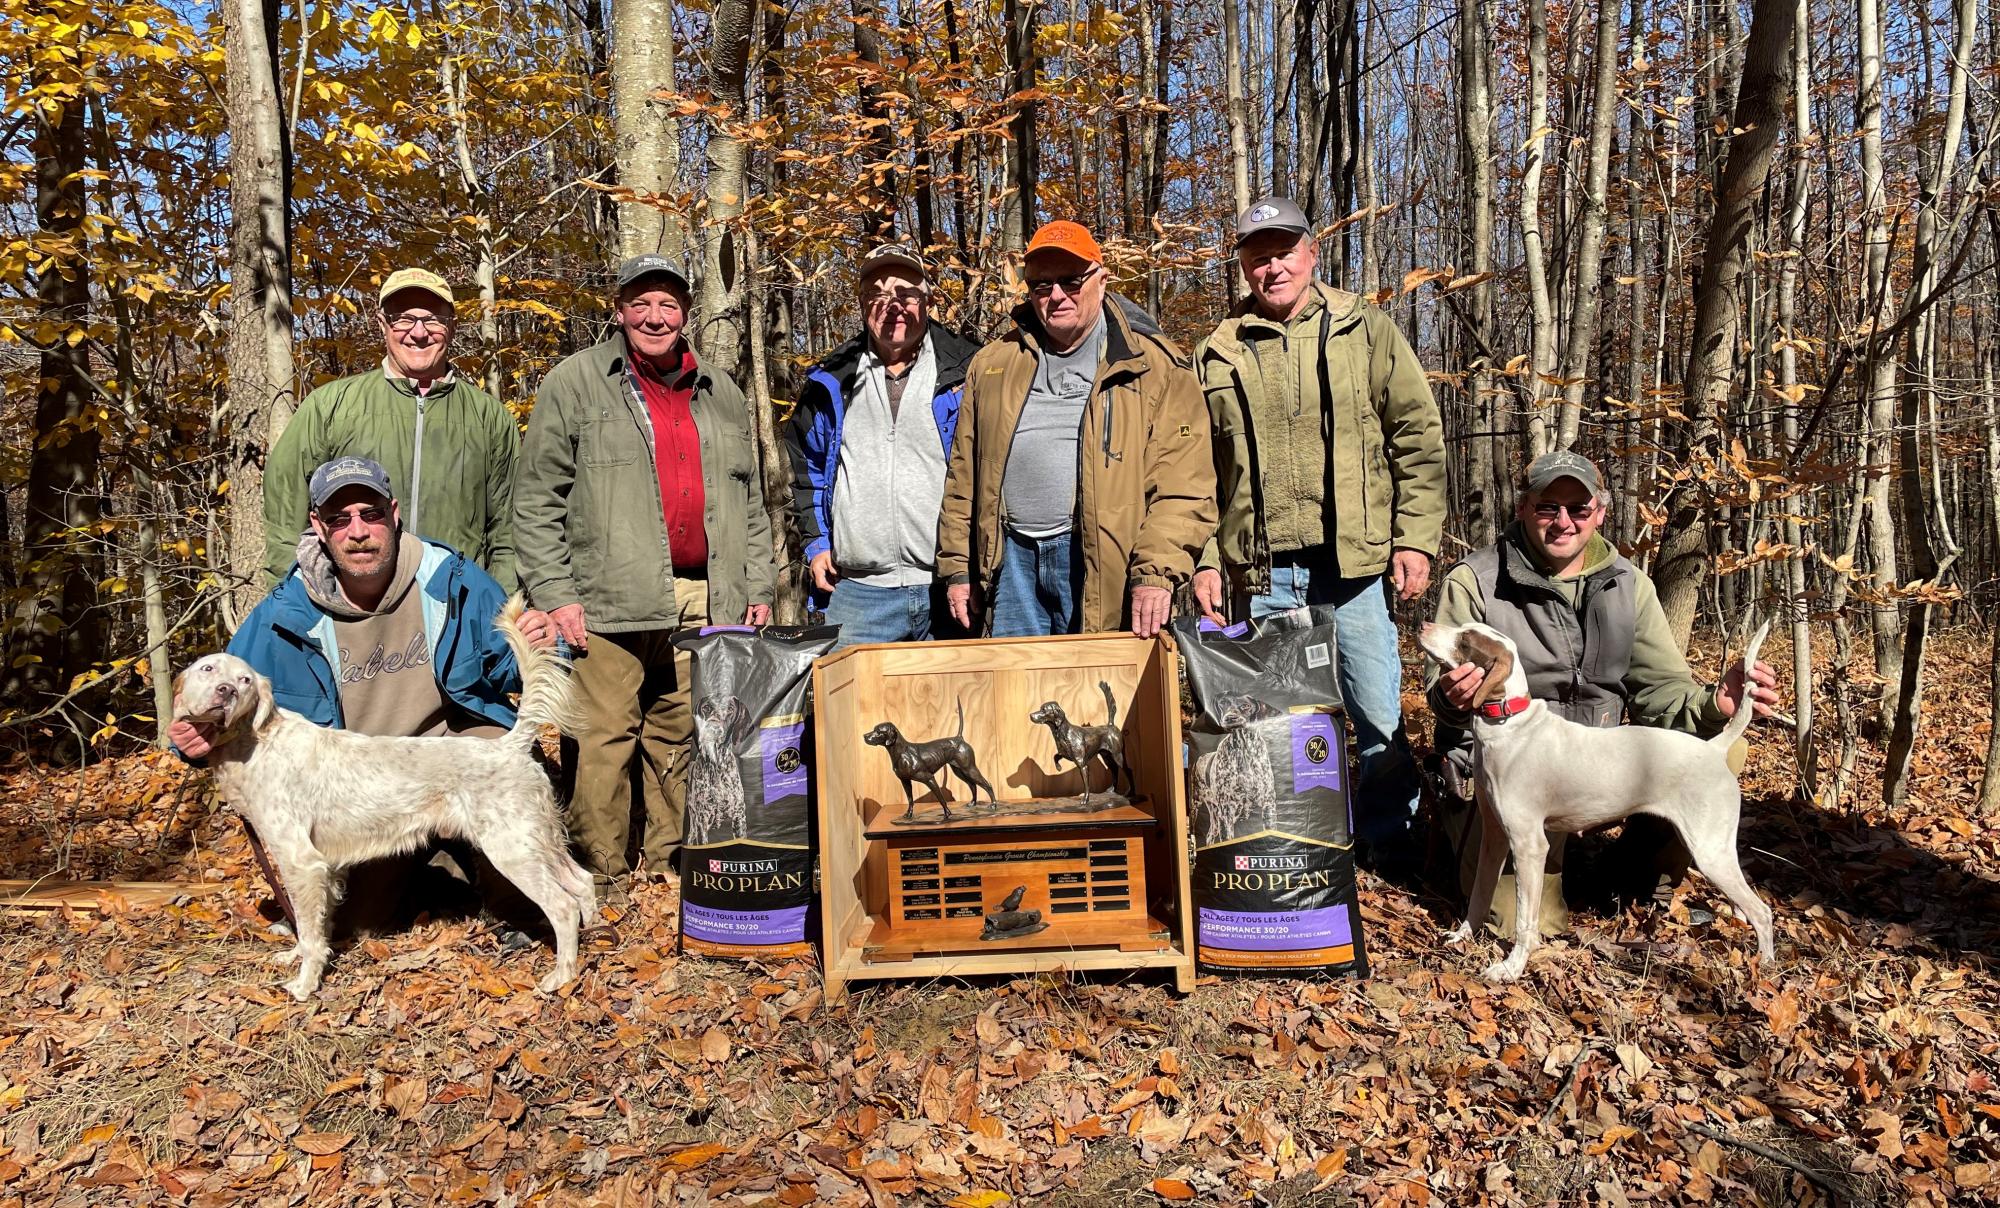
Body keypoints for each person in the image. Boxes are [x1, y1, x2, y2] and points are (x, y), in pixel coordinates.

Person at [172, 456, 556, 929]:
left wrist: (538, 645)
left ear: (393, 515)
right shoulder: (282, 613)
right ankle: (435, 868)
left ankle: (514, 904)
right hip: (364, 786)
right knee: (360, 922)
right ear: (319, 527)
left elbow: (504, 668)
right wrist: (189, 742)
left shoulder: (449, 578)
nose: (357, 531)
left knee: (505, 797)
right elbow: (215, 696)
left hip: (457, 749)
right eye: (339, 519)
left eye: (370, 514)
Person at [1191, 196, 1447, 874]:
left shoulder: (1364, 329)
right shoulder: (1215, 353)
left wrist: (1414, 537)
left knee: (1376, 715)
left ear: (1310, 252)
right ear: (1243, 264)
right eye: (1257, 255)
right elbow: (1196, 474)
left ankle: (1389, 847)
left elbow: (1416, 437)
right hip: (1261, 572)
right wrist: (1207, 561)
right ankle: (1285, 852)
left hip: (1353, 566)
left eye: (1282, 251)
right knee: (1267, 724)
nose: (1271, 266)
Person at [1425, 450, 1780, 934]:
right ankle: (1548, 887)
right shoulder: (1477, 582)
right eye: (1548, 507)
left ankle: (1637, 876)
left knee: (1723, 752)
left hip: (1596, 768)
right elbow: (1437, 694)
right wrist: (1453, 699)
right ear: (1523, 508)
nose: (1563, 522)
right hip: (1505, 770)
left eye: (1579, 509)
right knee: (1510, 924)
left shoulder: (1628, 585)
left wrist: (1714, 703)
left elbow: (1662, 690)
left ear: (1601, 513)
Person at [513, 254, 776, 901]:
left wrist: (757, 586)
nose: (655, 316)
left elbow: (749, 500)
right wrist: (556, 594)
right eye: (641, 303)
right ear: (620, 309)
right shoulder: (576, 383)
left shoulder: (721, 391)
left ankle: (666, 865)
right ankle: (599, 874)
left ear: (685, 313)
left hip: (703, 595)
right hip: (606, 598)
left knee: (680, 734)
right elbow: (538, 497)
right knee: (604, 738)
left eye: (668, 304)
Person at [937, 220, 1215, 638]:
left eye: (1071, 281)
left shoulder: (1154, 367)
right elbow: (963, 478)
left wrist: (1155, 571)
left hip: (1102, 563)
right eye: (1042, 286)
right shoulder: (993, 364)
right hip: (1010, 563)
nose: (1057, 296)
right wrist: (957, 566)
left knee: (1100, 696)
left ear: (1101, 281)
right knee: (1018, 693)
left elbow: (1185, 487)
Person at [263, 267, 521, 590]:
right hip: (354, 611)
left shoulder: (490, 420)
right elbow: (285, 516)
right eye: (403, 318)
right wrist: (293, 601)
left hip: (458, 613)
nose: (418, 332)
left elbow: (507, 534)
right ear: (383, 324)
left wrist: (500, 610)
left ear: (452, 327)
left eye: (433, 319)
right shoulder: (330, 407)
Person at [785, 243, 978, 647]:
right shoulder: (831, 381)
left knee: (954, 709)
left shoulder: (968, 371)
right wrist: (818, 545)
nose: (894, 305)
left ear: (927, 300)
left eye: (906, 293)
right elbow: (807, 471)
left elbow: (988, 473)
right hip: (858, 593)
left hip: (948, 587)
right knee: (853, 709)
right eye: (878, 294)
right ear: (861, 304)